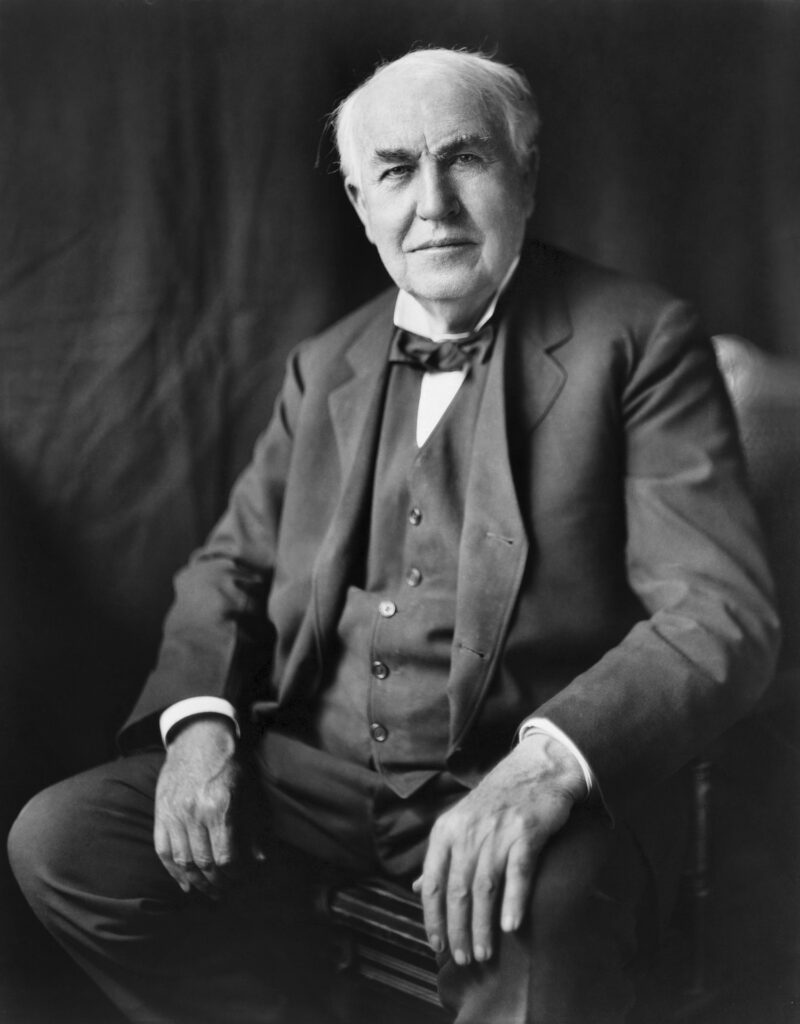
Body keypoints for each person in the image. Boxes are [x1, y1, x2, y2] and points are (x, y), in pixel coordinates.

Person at [8, 47, 779, 1024]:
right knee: (63, 840)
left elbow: (718, 614)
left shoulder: (639, 339)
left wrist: (542, 768)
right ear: (360, 202)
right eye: (396, 171)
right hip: (311, 776)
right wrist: (201, 733)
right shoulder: (321, 362)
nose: (433, 204)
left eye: (464, 159)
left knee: (537, 919)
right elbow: (229, 567)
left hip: (521, 765)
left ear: (525, 171)